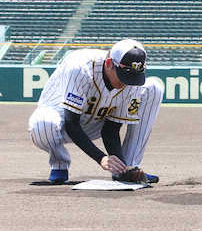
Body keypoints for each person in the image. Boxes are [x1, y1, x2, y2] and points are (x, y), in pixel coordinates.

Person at [28, 39, 163, 184]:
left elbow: (111, 130)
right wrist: (101, 158)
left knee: (154, 88)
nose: (126, 82)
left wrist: (120, 167)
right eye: (123, 75)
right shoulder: (81, 67)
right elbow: (71, 122)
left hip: (97, 121)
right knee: (42, 125)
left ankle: (129, 166)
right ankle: (59, 163)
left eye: (132, 77)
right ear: (109, 63)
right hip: (60, 120)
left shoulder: (131, 82)